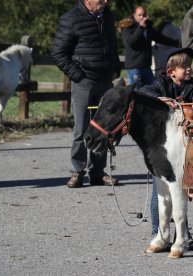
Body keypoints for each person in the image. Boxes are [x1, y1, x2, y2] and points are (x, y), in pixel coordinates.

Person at [139, 48, 193, 249]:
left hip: (183, 142)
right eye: (184, 67)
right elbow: (143, 91)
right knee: (159, 192)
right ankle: (158, 233)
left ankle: (183, 234)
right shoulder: (161, 83)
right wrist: (160, 99)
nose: (189, 69)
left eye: (190, 66)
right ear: (171, 72)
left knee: (179, 189)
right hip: (162, 143)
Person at [51, 0, 121, 188]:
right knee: (81, 128)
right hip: (84, 81)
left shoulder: (107, 16)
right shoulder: (71, 18)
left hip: (105, 80)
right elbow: (58, 52)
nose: (106, 2)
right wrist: (78, 76)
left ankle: (98, 172)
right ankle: (77, 172)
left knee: (102, 127)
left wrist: (116, 69)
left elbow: (112, 44)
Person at [122, 6, 179, 88]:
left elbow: (160, 38)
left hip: (146, 67)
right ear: (134, 15)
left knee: (152, 92)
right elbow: (131, 42)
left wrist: (176, 43)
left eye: (144, 15)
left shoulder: (148, 27)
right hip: (134, 68)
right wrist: (140, 28)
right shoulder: (128, 27)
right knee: (136, 94)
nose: (142, 17)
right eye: (140, 15)